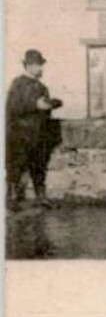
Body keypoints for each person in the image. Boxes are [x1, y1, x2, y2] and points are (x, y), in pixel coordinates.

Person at [6, 49, 63, 208]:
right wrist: (34, 105)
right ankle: (12, 198)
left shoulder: (42, 87)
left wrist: (52, 103)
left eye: (41, 65)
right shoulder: (17, 84)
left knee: (39, 167)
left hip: (39, 135)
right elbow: (12, 107)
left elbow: (46, 110)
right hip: (21, 135)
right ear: (29, 66)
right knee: (16, 167)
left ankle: (41, 198)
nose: (40, 68)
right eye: (38, 65)